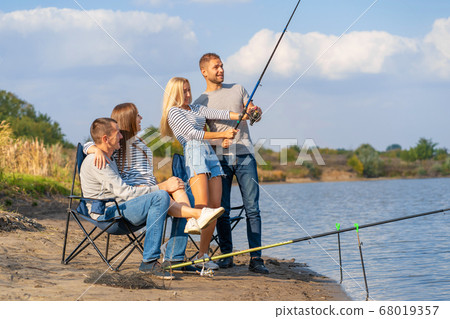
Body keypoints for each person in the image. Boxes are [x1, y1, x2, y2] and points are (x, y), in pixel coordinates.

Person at [84, 103, 223, 267]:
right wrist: (93, 148)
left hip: (131, 199)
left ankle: (174, 256)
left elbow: (97, 142)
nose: (141, 118)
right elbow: (93, 144)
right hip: (113, 210)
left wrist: (94, 148)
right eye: (137, 115)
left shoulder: (113, 152)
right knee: (161, 196)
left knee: (183, 192)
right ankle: (195, 216)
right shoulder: (105, 157)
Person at [160, 77, 247, 269]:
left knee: (215, 208)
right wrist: (221, 135)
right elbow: (192, 134)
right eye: (184, 91)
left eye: (189, 90)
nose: (189, 95)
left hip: (209, 153)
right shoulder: (173, 112)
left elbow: (221, 113)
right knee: (203, 206)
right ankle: (171, 247)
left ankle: (202, 255)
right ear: (175, 93)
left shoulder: (196, 109)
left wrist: (243, 114)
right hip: (194, 152)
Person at [194, 53, 269, 274]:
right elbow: (201, 135)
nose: (221, 70)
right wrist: (219, 140)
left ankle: (256, 259)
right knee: (221, 210)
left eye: (222, 66)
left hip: (245, 155)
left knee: (252, 209)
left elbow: (253, 114)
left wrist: (255, 113)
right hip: (219, 159)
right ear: (204, 71)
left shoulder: (238, 88)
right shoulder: (199, 103)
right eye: (216, 67)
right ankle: (226, 256)